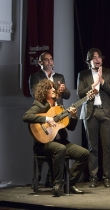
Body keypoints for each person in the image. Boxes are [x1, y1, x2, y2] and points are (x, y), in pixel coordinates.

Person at [23, 79, 89, 196]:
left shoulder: (60, 108)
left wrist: (73, 116)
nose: (54, 89)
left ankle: (70, 183)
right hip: (43, 144)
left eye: (54, 87)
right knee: (60, 148)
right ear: (44, 91)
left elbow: (71, 128)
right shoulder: (39, 105)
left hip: (61, 142)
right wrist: (46, 119)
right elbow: (26, 116)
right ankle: (57, 184)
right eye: (50, 88)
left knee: (84, 153)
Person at [77, 48, 110, 188]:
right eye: (94, 57)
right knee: (92, 147)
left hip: (107, 112)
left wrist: (101, 81)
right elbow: (80, 93)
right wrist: (93, 85)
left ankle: (107, 177)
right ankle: (93, 177)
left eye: (99, 57)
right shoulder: (82, 75)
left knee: (107, 146)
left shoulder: (109, 72)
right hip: (90, 112)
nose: (97, 59)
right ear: (89, 61)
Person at [28, 52, 71, 187]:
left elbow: (68, 95)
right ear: (40, 63)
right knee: (44, 144)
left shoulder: (59, 77)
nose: (49, 61)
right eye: (46, 60)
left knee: (59, 143)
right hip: (43, 115)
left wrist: (62, 91)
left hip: (58, 116)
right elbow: (36, 94)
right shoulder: (35, 77)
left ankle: (51, 179)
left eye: (51, 59)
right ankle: (38, 176)